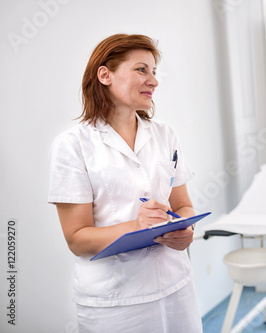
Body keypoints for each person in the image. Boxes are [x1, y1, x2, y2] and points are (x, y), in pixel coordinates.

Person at [48, 34, 203, 332]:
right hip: (116, 303)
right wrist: (137, 226)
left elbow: (183, 206)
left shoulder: (165, 134)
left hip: (176, 286)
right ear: (105, 75)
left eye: (154, 72)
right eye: (141, 70)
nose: (154, 81)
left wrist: (186, 229)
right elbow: (76, 239)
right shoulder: (72, 145)